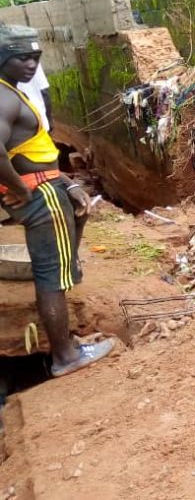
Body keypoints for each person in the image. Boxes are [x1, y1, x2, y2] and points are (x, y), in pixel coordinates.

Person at [0, 25, 112, 376]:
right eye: (23, 58)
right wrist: (20, 190)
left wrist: (65, 181)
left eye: (36, 58)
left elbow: (30, 153)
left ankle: (66, 348)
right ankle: (65, 357)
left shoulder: (11, 93)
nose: (32, 65)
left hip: (47, 185)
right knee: (52, 278)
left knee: (55, 269)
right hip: (40, 195)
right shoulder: (3, 99)